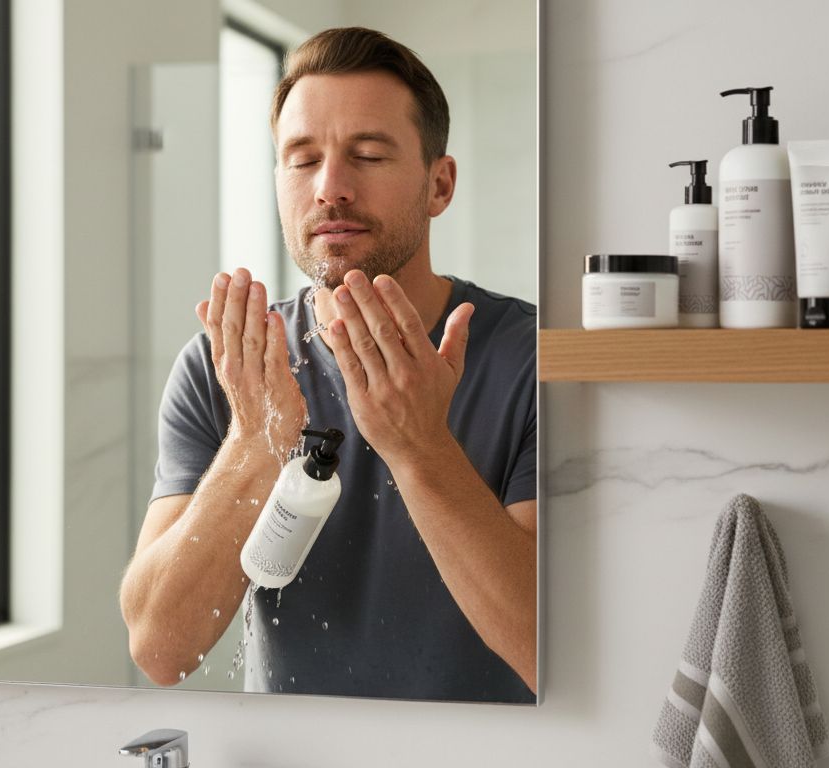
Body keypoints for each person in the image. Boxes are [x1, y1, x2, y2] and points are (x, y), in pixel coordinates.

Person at [119, 26, 536, 702]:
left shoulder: (532, 361)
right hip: (293, 748)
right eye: (303, 159)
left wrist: (420, 446)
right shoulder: (226, 367)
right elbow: (162, 652)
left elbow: (550, 651)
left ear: (440, 184)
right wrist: (255, 440)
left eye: (367, 155)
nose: (330, 187)